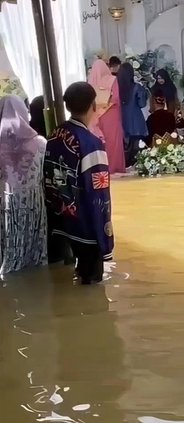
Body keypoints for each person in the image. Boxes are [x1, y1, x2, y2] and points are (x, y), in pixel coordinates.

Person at [44, 82, 114, 284]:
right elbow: (99, 192)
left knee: (68, 280)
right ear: (93, 106)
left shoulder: (55, 135)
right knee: (91, 283)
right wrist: (104, 235)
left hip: (60, 220)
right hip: (85, 226)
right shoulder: (91, 143)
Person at [0, 95, 47, 275]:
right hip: (33, 204)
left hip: (5, 204)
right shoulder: (41, 143)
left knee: (6, 246)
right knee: (35, 259)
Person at [88, 58, 126, 174]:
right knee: (113, 141)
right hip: (111, 114)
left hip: (96, 115)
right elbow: (115, 98)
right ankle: (115, 167)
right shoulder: (112, 79)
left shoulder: (91, 82)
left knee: (102, 141)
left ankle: (103, 168)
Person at [117, 62, 148, 167]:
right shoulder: (136, 88)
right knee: (137, 150)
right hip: (135, 122)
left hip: (121, 121)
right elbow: (142, 104)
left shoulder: (116, 89)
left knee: (124, 149)